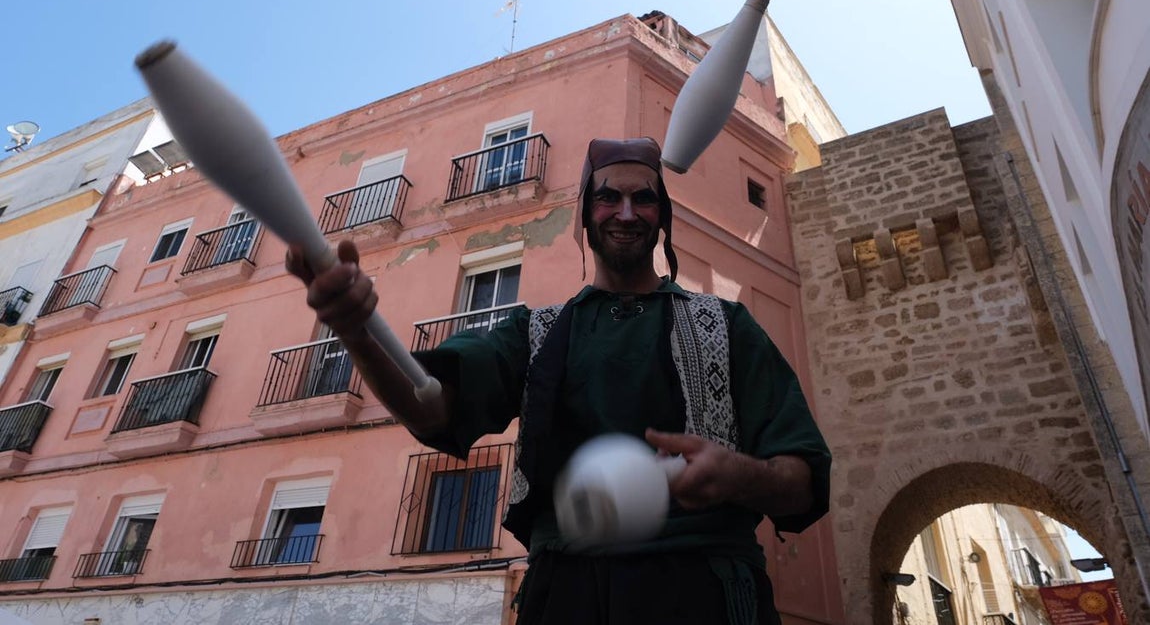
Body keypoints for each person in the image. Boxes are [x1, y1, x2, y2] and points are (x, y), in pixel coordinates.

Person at [286, 137, 831, 625]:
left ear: (662, 216)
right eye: (608, 197)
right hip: (565, 595)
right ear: (585, 215)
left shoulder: (727, 325)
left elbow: (802, 478)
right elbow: (431, 409)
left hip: (707, 591)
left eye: (644, 199)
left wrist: (741, 476)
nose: (626, 212)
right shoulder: (534, 333)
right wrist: (354, 332)